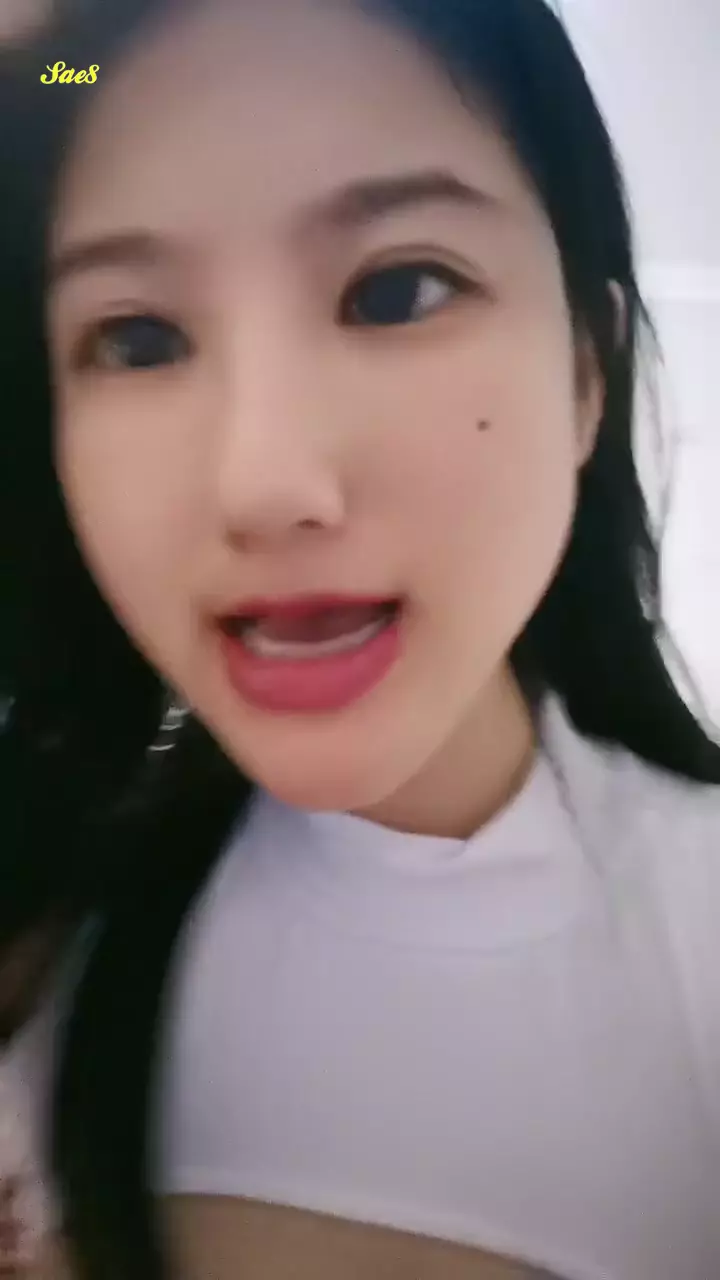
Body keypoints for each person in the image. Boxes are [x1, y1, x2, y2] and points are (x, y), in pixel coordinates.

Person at [1, 0, 720, 1277]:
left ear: (585, 374)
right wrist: (55, 59)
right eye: (138, 337)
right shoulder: (43, 928)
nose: (265, 483)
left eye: (397, 290)